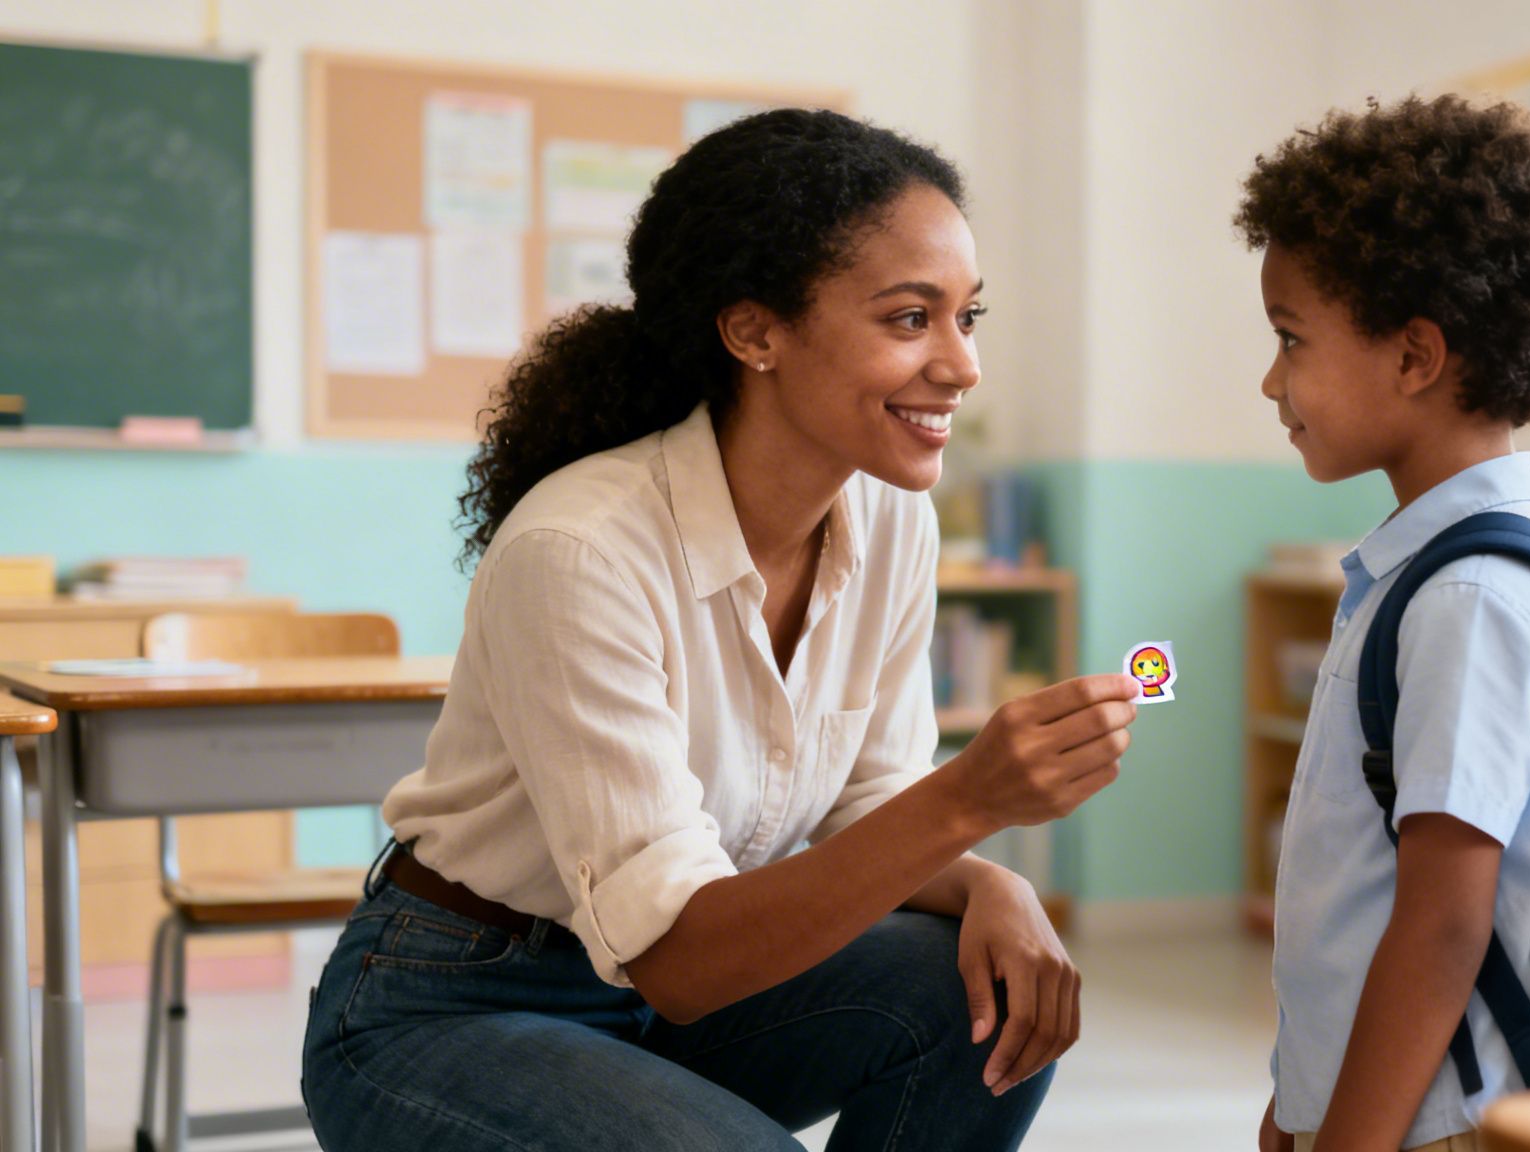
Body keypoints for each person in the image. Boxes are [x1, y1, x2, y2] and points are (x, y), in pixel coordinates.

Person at [302, 108, 1140, 1152]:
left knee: (974, 991)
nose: (961, 366)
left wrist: (991, 880)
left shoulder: (891, 519)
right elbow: (683, 959)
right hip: (456, 1004)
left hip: (668, 1005)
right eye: (908, 319)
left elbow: (863, 809)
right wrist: (971, 799)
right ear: (754, 333)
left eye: (969, 317)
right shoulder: (579, 549)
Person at [1234, 95, 1530, 1152]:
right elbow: (1361, 891)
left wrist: (1346, 1140)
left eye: (1289, 340)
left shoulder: (1470, 602)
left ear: (1413, 357)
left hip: (1434, 1126)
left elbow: (1441, 923)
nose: (1270, 380)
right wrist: (1298, 1101)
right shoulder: (1428, 574)